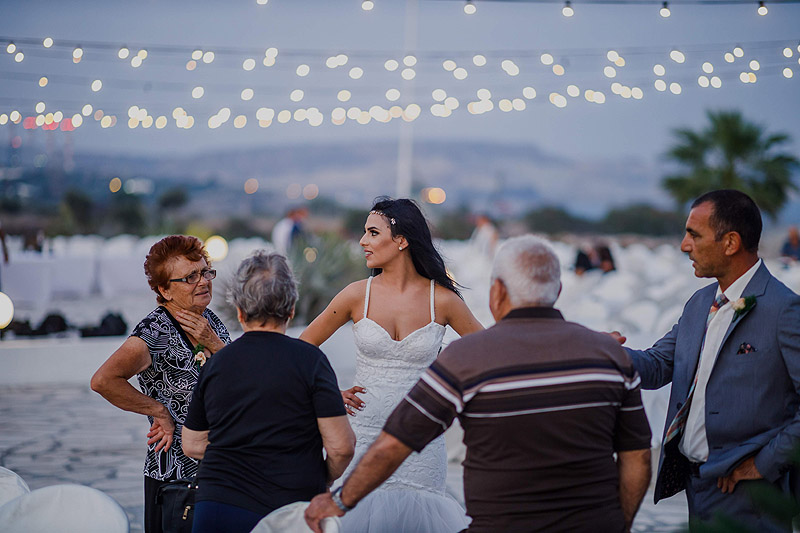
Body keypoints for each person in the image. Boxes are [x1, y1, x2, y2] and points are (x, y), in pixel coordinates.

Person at [305, 235, 653, 533]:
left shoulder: (459, 340)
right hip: (366, 429)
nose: (363, 241)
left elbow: (396, 444)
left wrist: (340, 500)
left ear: (497, 292)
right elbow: (637, 455)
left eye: (372, 232)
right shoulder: (611, 358)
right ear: (559, 290)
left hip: (443, 475)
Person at [618, 190, 800, 531]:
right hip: (694, 486)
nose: (685, 245)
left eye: (694, 234)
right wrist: (604, 352)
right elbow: (657, 365)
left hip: (751, 496)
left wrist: (764, 464)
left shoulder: (784, 310)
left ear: (730, 243)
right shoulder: (700, 303)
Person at [299, 197, 483, 532]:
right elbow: (299, 352)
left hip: (422, 446)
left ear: (401, 240)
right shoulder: (356, 295)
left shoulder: (442, 300)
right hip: (363, 438)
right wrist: (329, 392)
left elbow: (489, 352)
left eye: (372, 232)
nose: (362, 241)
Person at [182, 251, 355, 533]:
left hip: (218, 507)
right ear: (291, 309)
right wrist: (323, 477)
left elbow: (191, 443)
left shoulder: (217, 364)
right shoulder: (310, 361)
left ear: (239, 311)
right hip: (289, 510)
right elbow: (342, 447)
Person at [91, 235, 231, 533]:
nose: (203, 281)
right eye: (190, 277)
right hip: (175, 479)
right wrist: (157, 410)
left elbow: (239, 375)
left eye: (206, 271)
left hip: (219, 467)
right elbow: (103, 380)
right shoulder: (154, 333)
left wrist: (214, 343)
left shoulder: (210, 321)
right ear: (164, 289)